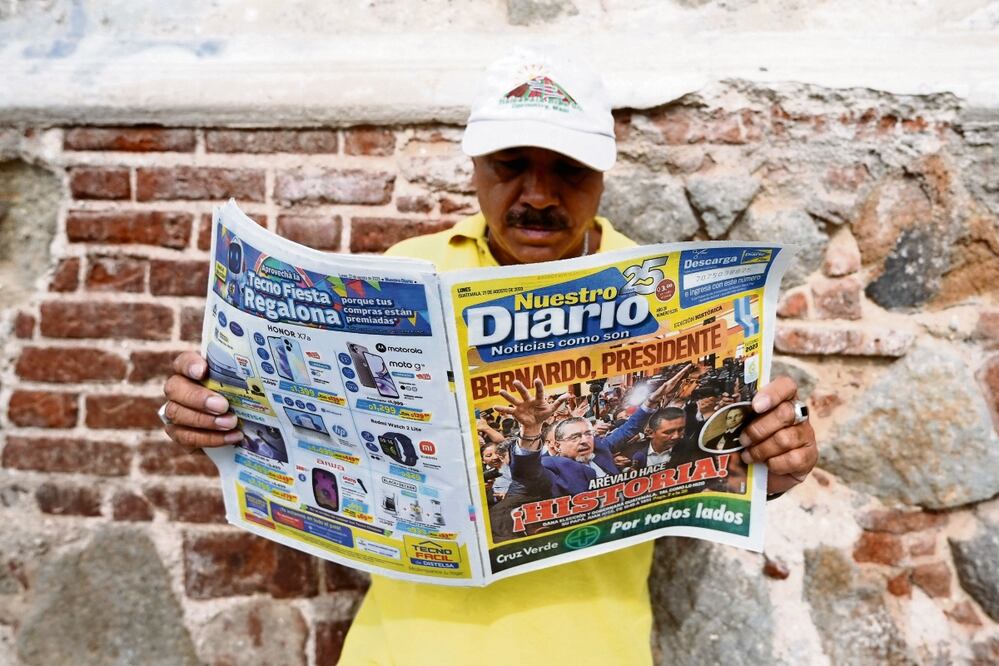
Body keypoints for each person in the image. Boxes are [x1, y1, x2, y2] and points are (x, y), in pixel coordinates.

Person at [159, 47, 819, 666]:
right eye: (509, 165)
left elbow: (696, 448)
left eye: (566, 169)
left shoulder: (664, 295)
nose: (536, 195)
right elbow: (301, 431)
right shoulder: (404, 272)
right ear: (473, 165)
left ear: (602, 173)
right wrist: (207, 414)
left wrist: (775, 458)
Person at [632, 406, 698, 469]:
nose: (676, 436)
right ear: (650, 433)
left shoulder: (692, 448)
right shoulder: (631, 452)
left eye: (680, 430)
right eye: (668, 432)